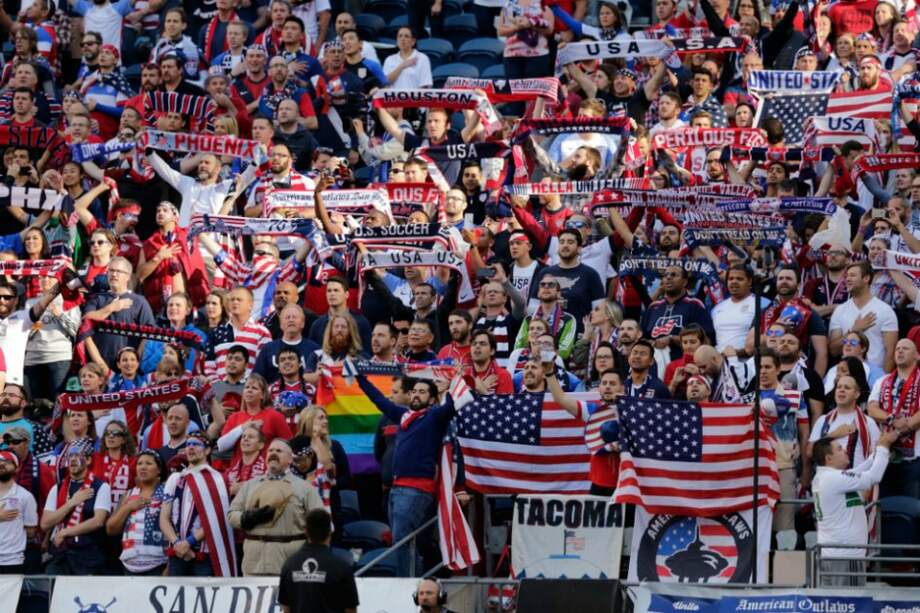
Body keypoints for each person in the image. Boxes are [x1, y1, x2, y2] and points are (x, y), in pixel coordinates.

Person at [355, 366, 461, 576]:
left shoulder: (434, 417)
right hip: (396, 487)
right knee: (404, 539)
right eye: (414, 391)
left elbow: (453, 405)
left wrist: (451, 384)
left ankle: (405, 583)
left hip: (417, 488)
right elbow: (378, 400)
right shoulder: (402, 415)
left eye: (422, 392)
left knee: (401, 539)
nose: (416, 395)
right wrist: (359, 378)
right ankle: (413, 580)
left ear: (432, 400)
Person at [812, 427, 899, 586]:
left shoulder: (827, 477)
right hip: (845, 557)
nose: (845, 450)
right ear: (829, 458)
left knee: (837, 604)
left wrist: (878, 449)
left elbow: (859, 470)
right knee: (849, 606)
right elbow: (873, 477)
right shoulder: (833, 479)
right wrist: (883, 447)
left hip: (839, 555)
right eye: (839, 449)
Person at [229, 438, 324, 575]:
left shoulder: (304, 488)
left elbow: (320, 523)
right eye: (271, 451)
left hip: (290, 562)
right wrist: (246, 518)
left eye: (279, 451)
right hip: (254, 563)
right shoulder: (250, 485)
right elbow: (232, 514)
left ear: (290, 459)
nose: (273, 453)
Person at [160, 432, 237, 577]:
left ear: (207, 450)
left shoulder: (217, 479)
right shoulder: (176, 478)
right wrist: (177, 543)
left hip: (204, 553)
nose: (190, 448)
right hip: (177, 551)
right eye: (188, 444)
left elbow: (217, 518)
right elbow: (164, 517)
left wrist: (189, 542)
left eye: (196, 444)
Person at [41, 438, 112, 575]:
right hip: (61, 555)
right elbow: (45, 524)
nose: (73, 459)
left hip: (88, 556)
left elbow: (98, 521)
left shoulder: (101, 487)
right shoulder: (58, 487)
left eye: (77, 455)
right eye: (70, 456)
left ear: (89, 460)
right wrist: (71, 503)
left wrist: (65, 532)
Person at [278, 508, 358, 613]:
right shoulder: (342, 567)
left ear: (306, 532)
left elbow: (286, 608)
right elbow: (351, 609)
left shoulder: (289, 565)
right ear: (330, 532)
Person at [105, 450, 168, 575]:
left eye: (149, 463)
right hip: (129, 567)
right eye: (139, 464)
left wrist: (169, 567)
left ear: (159, 469)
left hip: (159, 566)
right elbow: (111, 529)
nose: (143, 467)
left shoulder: (167, 492)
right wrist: (128, 507)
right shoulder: (128, 495)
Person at [0, 450, 37, 574]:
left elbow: (31, 531)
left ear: (17, 467)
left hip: (12, 560)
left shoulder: (25, 496)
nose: (1, 464)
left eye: (7, 462)